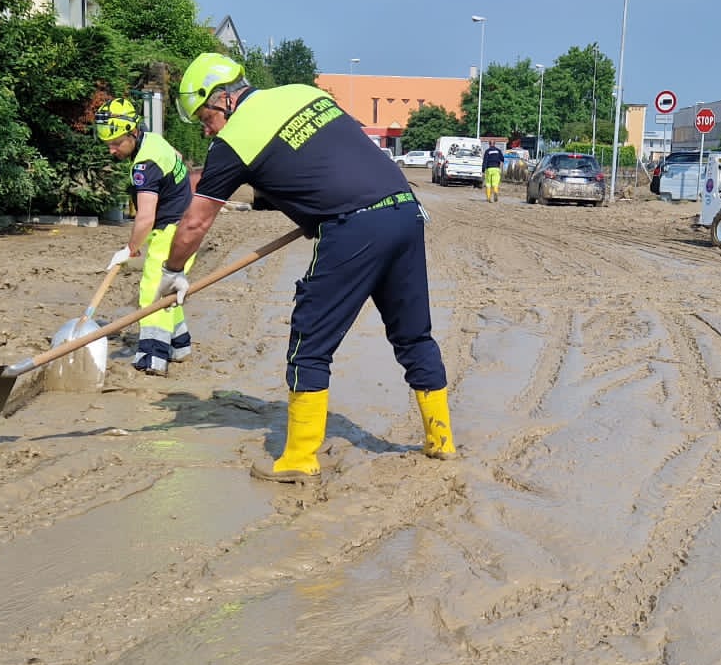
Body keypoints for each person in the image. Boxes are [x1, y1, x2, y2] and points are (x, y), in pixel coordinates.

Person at [160, 52, 454, 483]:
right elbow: (321, 158)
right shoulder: (302, 94)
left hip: (353, 226)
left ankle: (298, 458)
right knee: (413, 334)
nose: (205, 128)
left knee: (309, 341)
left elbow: (195, 220)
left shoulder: (233, 141)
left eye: (204, 116)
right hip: (404, 209)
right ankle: (441, 442)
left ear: (222, 99)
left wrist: (173, 270)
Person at [94, 96, 196, 375]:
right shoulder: (153, 140)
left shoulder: (144, 165)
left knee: (152, 294)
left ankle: (153, 357)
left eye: (116, 143)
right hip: (184, 226)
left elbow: (145, 216)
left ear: (133, 132)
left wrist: (130, 248)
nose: (112, 150)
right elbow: (178, 161)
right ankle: (180, 346)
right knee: (170, 290)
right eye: (108, 145)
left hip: (170, 231)